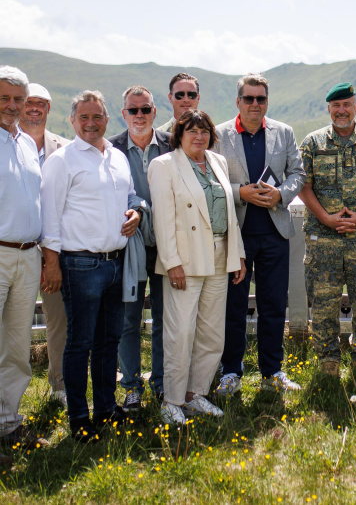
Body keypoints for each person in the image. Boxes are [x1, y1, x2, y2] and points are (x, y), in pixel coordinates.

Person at [41, 90, 142, 441]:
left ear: (106, 119)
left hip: (116, 262)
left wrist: (136, 211)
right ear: (72, 121)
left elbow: (128, 196)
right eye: (83, 117)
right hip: (79, 264)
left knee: (108, 341)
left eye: (97, 116)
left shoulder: (116, 156)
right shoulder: (63, 160)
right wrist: (51, 264)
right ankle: (79, 417)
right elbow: (49, 216)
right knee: (80, 342)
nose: (90, 123)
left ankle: (105, 408)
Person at [148, 110, 246, 425]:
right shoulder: (164, 165)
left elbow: (229, 213)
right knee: (181, 331)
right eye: (191, 130)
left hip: (220, 253)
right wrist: (171, 262)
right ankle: (172, 401)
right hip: (185, 260)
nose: (198, 136)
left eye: (204, 130)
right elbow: (162, 219)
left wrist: (238, 255)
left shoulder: (217, 162)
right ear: (179, 134)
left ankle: (196, 395)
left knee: (212, 332)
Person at [214, 74, 306, 396]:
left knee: (272, 306)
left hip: (275, 233)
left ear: (267, 101)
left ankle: (272, 372)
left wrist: (281, 194)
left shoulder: (284, 132)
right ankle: (231, 372)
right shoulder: (219, 134)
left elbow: (298, 173)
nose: (256, 104)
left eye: (261, 99)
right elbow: (211, 180)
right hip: (236, 235)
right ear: (238, 101)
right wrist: (241, 193)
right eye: (249, 98)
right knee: (233, 306)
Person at [299, 82, 356, 378]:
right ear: (329, 109)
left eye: (347, 105)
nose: (342, 111)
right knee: (324, 302)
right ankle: (328, 359)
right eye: (336, 106)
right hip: (323, 238)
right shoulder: (312, 143)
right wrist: (326, 218)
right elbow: (304, 185)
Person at [109, 85, 172, 411]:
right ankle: (132, 386)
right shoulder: (111, 150)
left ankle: (161, 383)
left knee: (165, 318)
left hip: (166, 245)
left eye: (145, 109)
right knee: (128, 320)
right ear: (124, 114)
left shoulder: (171, 146)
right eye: (133, 110)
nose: (139, 116)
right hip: (129, 247)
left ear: (154, 112)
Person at [0, 67, 50, 466]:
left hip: (27, 254)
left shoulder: (27, 145)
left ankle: (8, 422)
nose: (13, 106)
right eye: (5, 97)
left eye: (19, 99)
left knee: (16, 346)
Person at [18, 82, 70, 406]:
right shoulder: (7, 143)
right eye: (29, 102)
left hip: (55, 250)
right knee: (11, 323)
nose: (35, 107)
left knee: (59, 321)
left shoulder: (65, 149)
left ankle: (60, 387)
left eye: (41, 103)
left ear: (49, 109)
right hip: (14, 248)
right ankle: (9, 396)